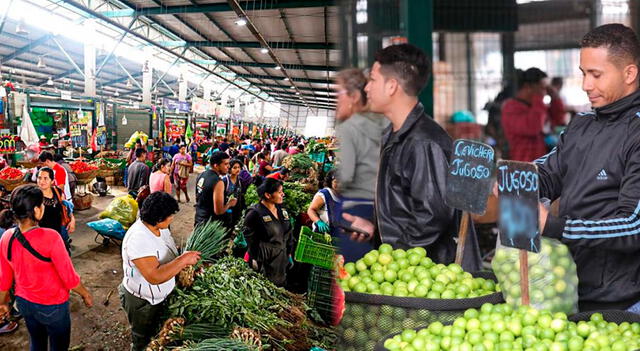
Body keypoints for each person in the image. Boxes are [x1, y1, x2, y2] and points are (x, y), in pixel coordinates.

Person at [343, 43, 480, 271]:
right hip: (409, 269)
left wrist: (392, 261)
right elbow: (409, 208)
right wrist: (377, 230)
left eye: (373, 79)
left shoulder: (422, 142)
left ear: (392, 86)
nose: (367, 88)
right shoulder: (396, 135)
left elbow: (432, 216)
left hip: (428, 275)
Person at [533, 23, 640, 312]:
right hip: (567, 285)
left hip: (622, 300)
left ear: (629, 73)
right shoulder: (583, 124)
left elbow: (634, 225)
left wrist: (554, 226)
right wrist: (512, 179)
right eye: (583, 73)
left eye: (596, 75)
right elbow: (548, 172)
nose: (585, 85)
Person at [0, 184, 93, 350]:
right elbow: (69, 278)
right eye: (42, 204)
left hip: (24, 304)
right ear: (36, 210)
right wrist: (85, 294)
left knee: (36, 341)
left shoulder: (6, 237)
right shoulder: (51, 237)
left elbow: (5, 278)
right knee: (59, 346)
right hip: (52, 306)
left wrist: (3, 303)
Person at [119, 192, 200, 351]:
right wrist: (183, 260)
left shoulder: (159, 227)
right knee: (141, 338)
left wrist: (179, 254)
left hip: (159, 296)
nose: (172, 218)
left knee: (155, 331)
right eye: (170, 215)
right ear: (158, 218)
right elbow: (154, 276)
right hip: (143, 301)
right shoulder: (138, 238)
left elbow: (164, 249)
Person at [334, 68, 388, 261]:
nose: (337, 100)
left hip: (356, 210)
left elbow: (346, 175)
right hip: (382, 211)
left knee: (351, 272)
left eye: (339, 94)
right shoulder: (386, 122)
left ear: (355, 96)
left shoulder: (350, 127)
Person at [242, 178, 293, 287]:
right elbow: (251, 239)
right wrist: (255, 259)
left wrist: (289, 252)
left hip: (281, 261)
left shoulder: (283, 210)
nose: (283, 194)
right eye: (279, 192)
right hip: (264, 262)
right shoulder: (255, 214)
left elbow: (289, 232)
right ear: (268, 195)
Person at [501, 68, 550, 162]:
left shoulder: (535, 107)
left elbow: (557, 120)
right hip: (522, 166)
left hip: (539, 164)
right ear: (527, 87)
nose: (544, 92)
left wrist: (555, 97)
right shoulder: (511, 107)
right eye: (542, 88)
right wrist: (539, 100)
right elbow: (533, 127)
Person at [36, 167, 76, 252]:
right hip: (42, 236)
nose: (41, 181)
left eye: (45, 178)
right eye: (39, 178)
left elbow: (66, 207)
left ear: (52, 181)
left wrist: (72, 219)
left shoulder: (57, 191)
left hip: (59, 232)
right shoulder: (34, 195)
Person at [194, 152, 237, 227]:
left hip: (199, 219)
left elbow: (198, 198)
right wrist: (230, 203)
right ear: (216, 165)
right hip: (209, 224)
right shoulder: (218, 182)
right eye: (226, 164)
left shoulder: (201, 175)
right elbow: (218, 211)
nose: (229, 166)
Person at [307, 169, 341, 236]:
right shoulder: (324, 194)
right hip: (322, 235)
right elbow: (311, 210)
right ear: (330, 182)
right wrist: (318, 222)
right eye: (336, 182)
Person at [223, 159, 245, 227]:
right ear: (229, 169)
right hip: (226, 210)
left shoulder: (240, 180)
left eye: (239, 167)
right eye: (234, 168)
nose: (237, 169)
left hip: (237, 210)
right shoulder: (225, 180)